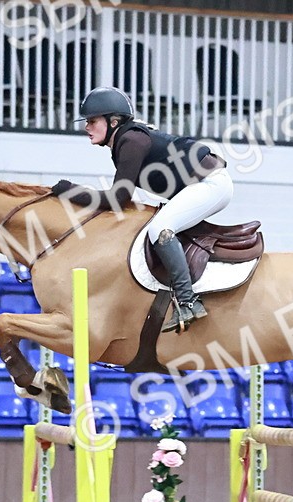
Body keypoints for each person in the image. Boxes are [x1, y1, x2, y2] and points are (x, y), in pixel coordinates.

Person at [49, 87, 233, 333]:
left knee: (160, 229)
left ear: (113, 121)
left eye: (92, 121)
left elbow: (118, 199)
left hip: (211, 184)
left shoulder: (131, 140)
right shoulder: (126, 140)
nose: (87, 127)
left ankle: (188, 302)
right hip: (200, 184)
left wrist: (70, 191)